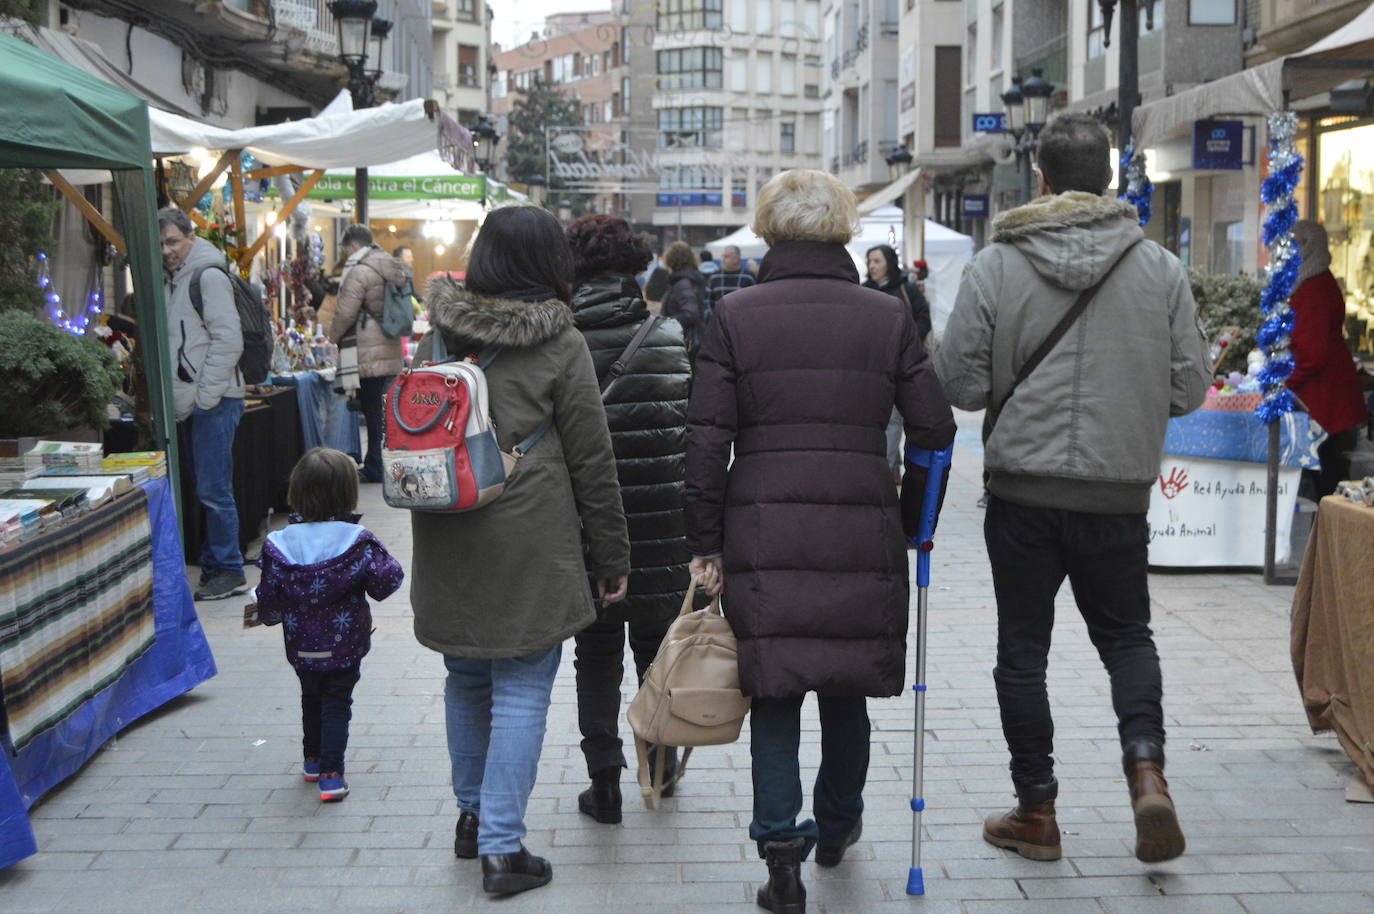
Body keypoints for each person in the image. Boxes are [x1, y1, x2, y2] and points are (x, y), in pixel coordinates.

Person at [935, 113, 1211, 866]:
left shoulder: (996, 265)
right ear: (1112, 182)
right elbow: (1189, 388)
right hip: (1118, 493)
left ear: (1042, 181)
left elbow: (957, 383)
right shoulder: (1159, 269)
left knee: (1022, 652)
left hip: (1023, 491)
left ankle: (1037, 812)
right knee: (1127, 638)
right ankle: (1146, 767)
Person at [685, 170, 956, 913]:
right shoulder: (886, 316)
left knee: (773, 688)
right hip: (860, 523)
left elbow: (708, 440)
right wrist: (912, 520)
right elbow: (935, 428)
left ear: (769, 230)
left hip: (763, 526)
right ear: (842, 229)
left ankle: (780, 850)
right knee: (845, 686)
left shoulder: (735, 314)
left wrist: (704, 539)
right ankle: (836, 825)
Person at [410, 204, 630, 897]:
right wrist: (612, 555)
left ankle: (472, 819)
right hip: (530, 537)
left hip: (447, 531)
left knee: (466, 677)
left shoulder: (438, 334)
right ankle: (503, 848)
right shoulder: (561, 343)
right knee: (523, 685)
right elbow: (593, 459)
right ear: (549, 267)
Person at [564, 214, 694, 824]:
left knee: (594, 652)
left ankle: (605, 781)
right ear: (636, 268)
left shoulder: (561, 339)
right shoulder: (666, 333)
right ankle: (660, 768)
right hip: (664, 524)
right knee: (654, 650)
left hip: (586, 528)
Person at [251, 447, 404, 802]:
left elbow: (268, 598)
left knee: (310, 696)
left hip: (300, 643)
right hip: (346, 643)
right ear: (348, 493)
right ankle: (332, 775)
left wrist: (268, 615)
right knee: (337, 701)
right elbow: (388, 581)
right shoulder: (357, 541)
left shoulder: (278, 544)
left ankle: (312, 759)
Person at [160, 207, 247, 601]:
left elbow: (228, 339)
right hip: (197, 402)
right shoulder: (172, 280)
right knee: (207, 489)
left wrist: (206, 396)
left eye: (173, 241)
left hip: (214, 400)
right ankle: (214, 566)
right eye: (160, 243)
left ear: (190, 239)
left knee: (214, 490)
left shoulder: (207, 276)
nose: (166, 250)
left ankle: (229, 570)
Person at [1288, 220, 1368, 498]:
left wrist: (1286, 380)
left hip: (1323, 399)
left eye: (1295, 245)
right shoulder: (1316, 282)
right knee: (1327, 472)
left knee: (1325, 477)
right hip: (1324, 396)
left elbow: (1313, 354)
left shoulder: (1313, 287)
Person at [329, 225, 405, 484]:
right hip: (390, 346)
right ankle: (382, 461)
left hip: (367, 350)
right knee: (383, 412)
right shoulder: (391, 265)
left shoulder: (360, 270)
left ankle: (374, 465)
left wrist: (332, 338)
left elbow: (345, 312)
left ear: (352, 246)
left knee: (373, 412)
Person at [864, 243, 934, 486]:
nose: (872, 266)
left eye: (877, 261)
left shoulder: (906, 288)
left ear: (889, 263)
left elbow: (924, 317)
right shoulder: (864, 290)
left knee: (894, 419)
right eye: (870, 261)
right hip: (873, 364)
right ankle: (891, 465)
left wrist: (908, 340)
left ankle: (884, 468)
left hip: (902, 363)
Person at [660, 240, 706, 356]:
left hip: (684, 341)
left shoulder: (682, 283)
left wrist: (664, 322)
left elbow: (691, 313)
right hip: (689, 339)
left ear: (672, 259)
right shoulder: (689, 279)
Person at [704, 244, 756, 319]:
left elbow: (754, 302)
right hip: (719, 323)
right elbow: (707, 301)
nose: (722, 259)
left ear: (736, 258)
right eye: (722, 256)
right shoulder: (714, 277)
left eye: (726, 256)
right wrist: (713, 319)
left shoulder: (748, 277)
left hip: (743, 323)